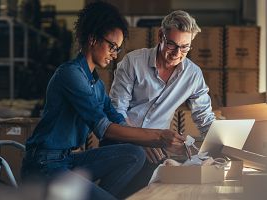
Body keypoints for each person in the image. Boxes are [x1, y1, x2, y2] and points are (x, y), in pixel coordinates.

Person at [21, 2, 185, 200]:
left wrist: (149, 142)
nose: (115, 55)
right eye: (112, 46)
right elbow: (104, 128)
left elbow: (116, 118)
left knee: (135, 154)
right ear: (93, 39)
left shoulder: (94, 83)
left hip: (67, 160)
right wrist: (159, 136)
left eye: (117, 49)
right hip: (44, 165)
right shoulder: (71, 75)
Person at [107, 10, 216, 197]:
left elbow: (204, 118)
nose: (177, 53)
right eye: (172, 45)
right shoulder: (133, 63)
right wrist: (141, 140)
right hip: (120, 142)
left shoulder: (193, 75)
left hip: (157, 149)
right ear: (160, 36)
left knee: (156, 193)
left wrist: (221, 146)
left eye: (185, 47)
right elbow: (116, 111)